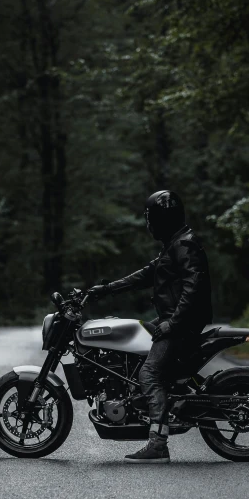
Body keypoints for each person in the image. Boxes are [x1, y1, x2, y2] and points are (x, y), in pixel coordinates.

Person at [88, 190, 212, 463]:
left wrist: (172, 324)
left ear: (161, 218)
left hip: (181, 323)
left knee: (149, 374)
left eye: (150, 217)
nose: (148, 223)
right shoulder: (176, 243)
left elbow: (193, 290)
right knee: (134, 345)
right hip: (174, 318)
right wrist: (105, 290)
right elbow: (146, 274)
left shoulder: (184, 245)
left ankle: (158, 444)